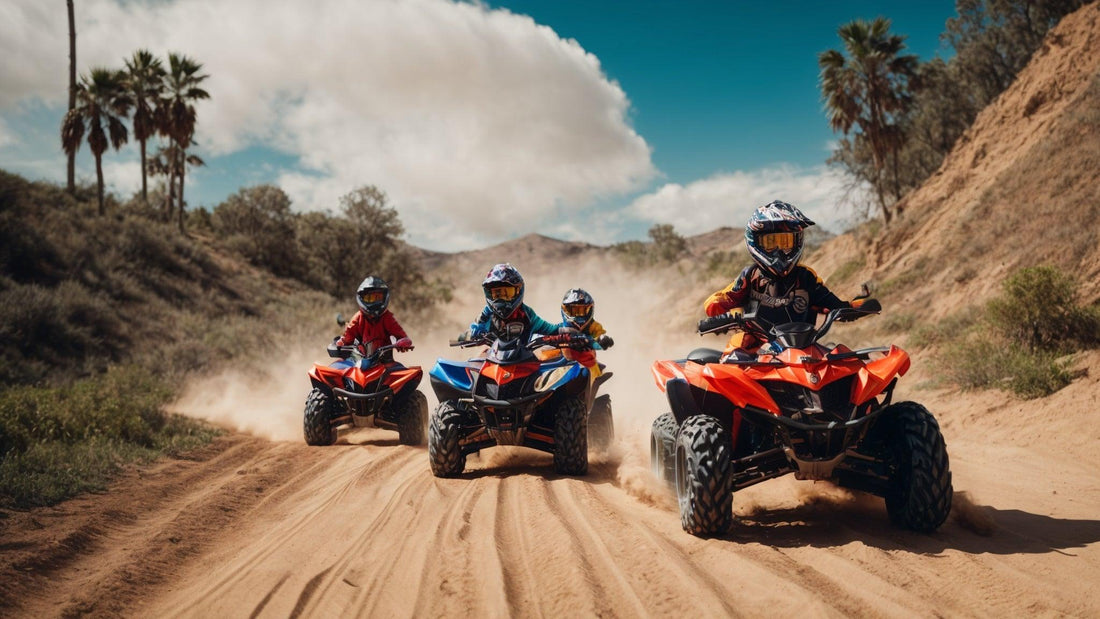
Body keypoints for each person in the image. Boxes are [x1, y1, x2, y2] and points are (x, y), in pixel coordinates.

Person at [704, 200, 868, 355]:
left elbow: (833, 305)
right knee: (734, 353)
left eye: (785, 242)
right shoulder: (749, 276)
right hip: (758, 345)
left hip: (803, 346)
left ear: (797, 241)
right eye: (771, 243)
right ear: (755, 242)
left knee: (843, 359)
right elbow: (721, 299)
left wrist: (856, 307)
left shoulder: (806, 277)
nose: (779, 251)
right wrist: (723, 312)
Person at [462, 263, 560, 342]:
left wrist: (569, 327)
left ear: (518, 290)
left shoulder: (527, 314)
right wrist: (469, 336)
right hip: (494, 358)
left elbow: (551, 329)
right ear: (490, 294)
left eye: (507, 293)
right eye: (497, 293)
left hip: (524, 359)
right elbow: (472, 329)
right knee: (479, 357)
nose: (502, 298)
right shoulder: (487, 313)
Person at [336, 276, 413, 363]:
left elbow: (401, 336)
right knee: (338, 367)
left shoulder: (387, 317)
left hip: (385, 363)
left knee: (409, 374)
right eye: (369, 298)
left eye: (377, 298)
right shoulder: (357, 318)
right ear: (361, 298)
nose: (374, 302)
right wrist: (340, 343)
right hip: (360, 363)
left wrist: (403, 342)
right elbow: (347, 339)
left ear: (385, 297)